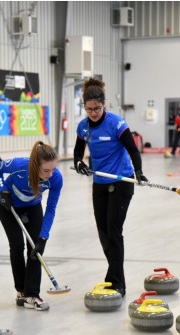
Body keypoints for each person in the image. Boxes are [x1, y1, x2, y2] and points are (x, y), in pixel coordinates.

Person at [73, 77, 146, 298]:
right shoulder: (83, 126)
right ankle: (116, 278)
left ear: (104, 105)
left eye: (97, 108)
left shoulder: (116, 124)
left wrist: (139, 172)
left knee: (114, 231)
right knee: (104, 234)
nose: (93, 113)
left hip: (122, 181)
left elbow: (133, 150)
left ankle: (116, 282)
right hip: (100, 183)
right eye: (89, 109)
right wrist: (79, 164)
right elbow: (78, 152)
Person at [0, 141, 62, 311]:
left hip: (32, 207)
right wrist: (2, 190)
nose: (50, 174)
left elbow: (51, 209)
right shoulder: (19, 165)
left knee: (35, 248)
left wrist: (44, 237)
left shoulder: (56, 179)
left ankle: (32, 294)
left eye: (53, 169)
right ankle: (21, 291)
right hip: (8, 206)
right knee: (17, 246)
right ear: (35, 165)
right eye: (46, 170)